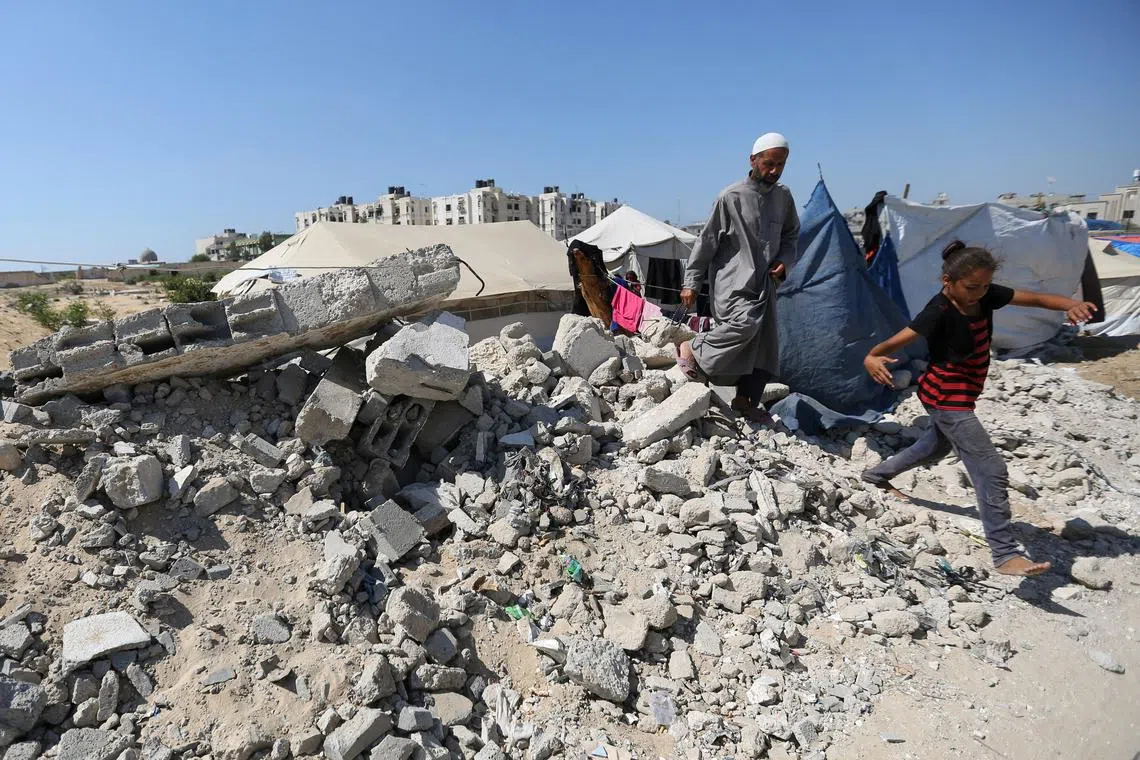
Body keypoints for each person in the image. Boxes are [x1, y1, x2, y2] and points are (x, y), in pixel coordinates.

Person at [861, 240, 1098, 577]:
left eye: (985, 285)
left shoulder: (986, 295)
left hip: (961, 392)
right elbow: (902, 337)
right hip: (946, 395)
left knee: (934, 446)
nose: (979, 293)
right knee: (991, 469)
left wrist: (1070, 304)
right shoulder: (938, 310)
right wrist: (873, 355)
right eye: (972, 287)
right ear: (948, 281)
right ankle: (1004, 554)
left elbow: (1036, 298)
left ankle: (876, 475)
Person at [676, 133, 800, 423]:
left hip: (765, 284)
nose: (775, 170)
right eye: (769, 163)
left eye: (780, 164)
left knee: (767, 345)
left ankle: (745, 400)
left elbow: (792, 235)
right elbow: (706, 242)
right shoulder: (730, 197)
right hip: (733, 283)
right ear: (753, 160)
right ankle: (693, 347)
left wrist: (784, 260)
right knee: (744, 324)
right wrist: (691, 281)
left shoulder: (784, 197)